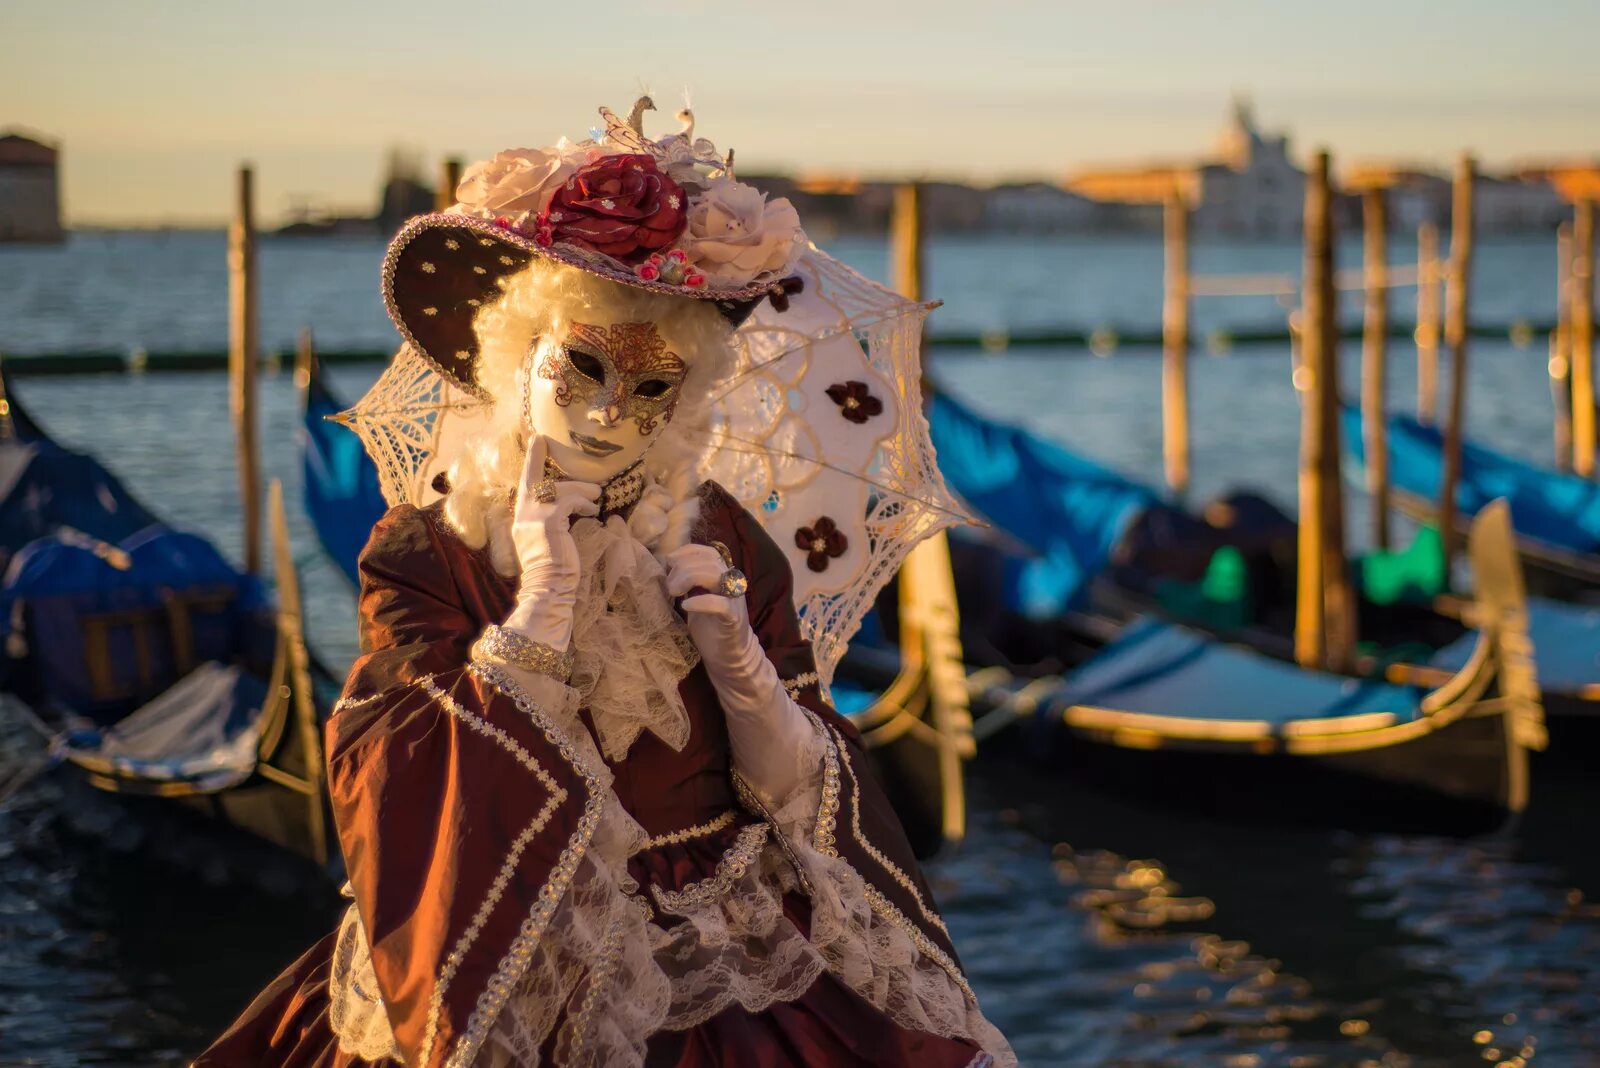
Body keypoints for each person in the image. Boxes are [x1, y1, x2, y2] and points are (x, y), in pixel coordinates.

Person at [198, 99, 1013, 1068]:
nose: (608, 413)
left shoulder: (723, 536)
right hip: (514, 953)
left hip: (727, 954)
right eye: (579, 369)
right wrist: (534, 620)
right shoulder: (429, 549)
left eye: (651, 388)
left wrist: (746, 677)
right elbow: (388, 777)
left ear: (690, 393)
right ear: (516, 358)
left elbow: (812, 783)